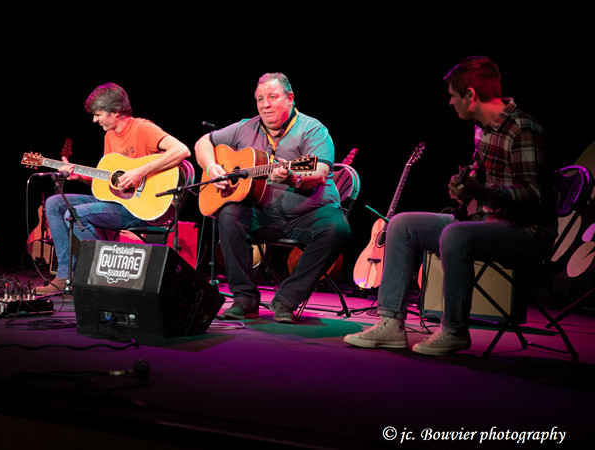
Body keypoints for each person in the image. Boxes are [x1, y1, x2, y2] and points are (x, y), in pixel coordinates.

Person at [344, 56, 557, 355]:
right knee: (402, 224)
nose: (450, 103)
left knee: (456, 236)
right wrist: (464, 187)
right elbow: (480, 180)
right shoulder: (483, 129)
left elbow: (535, 197)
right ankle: (390, 323)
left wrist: (482, 190)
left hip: (527, 231)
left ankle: (454, 330)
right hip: (488, 222)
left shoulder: (523, 129)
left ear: (470, 95)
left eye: (453, 96)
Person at [195, 72, 351, 323]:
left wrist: (292, 178)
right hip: (263, 213)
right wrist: (212, 166)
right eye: (260, 99)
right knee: (229, 213)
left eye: (272, 97)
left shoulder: (312, 129)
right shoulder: (246, 126)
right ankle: (244, 299)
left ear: (290, 98)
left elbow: (320, 171)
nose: (265, 104)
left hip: (308, 213)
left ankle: (286, 299)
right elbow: (204, 142)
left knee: (337, 229)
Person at [36, 83, 190, 295]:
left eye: (98, 114)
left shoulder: (143, 128)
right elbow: (110, 184)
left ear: (116, 112)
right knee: (55, 204)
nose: (94, 120)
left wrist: (139, 172)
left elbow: (182, 150)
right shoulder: (109, 136)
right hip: (117, 204)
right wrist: (80, 178)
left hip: (144, 209)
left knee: (75, 215)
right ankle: (64, 276)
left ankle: (107, 275)